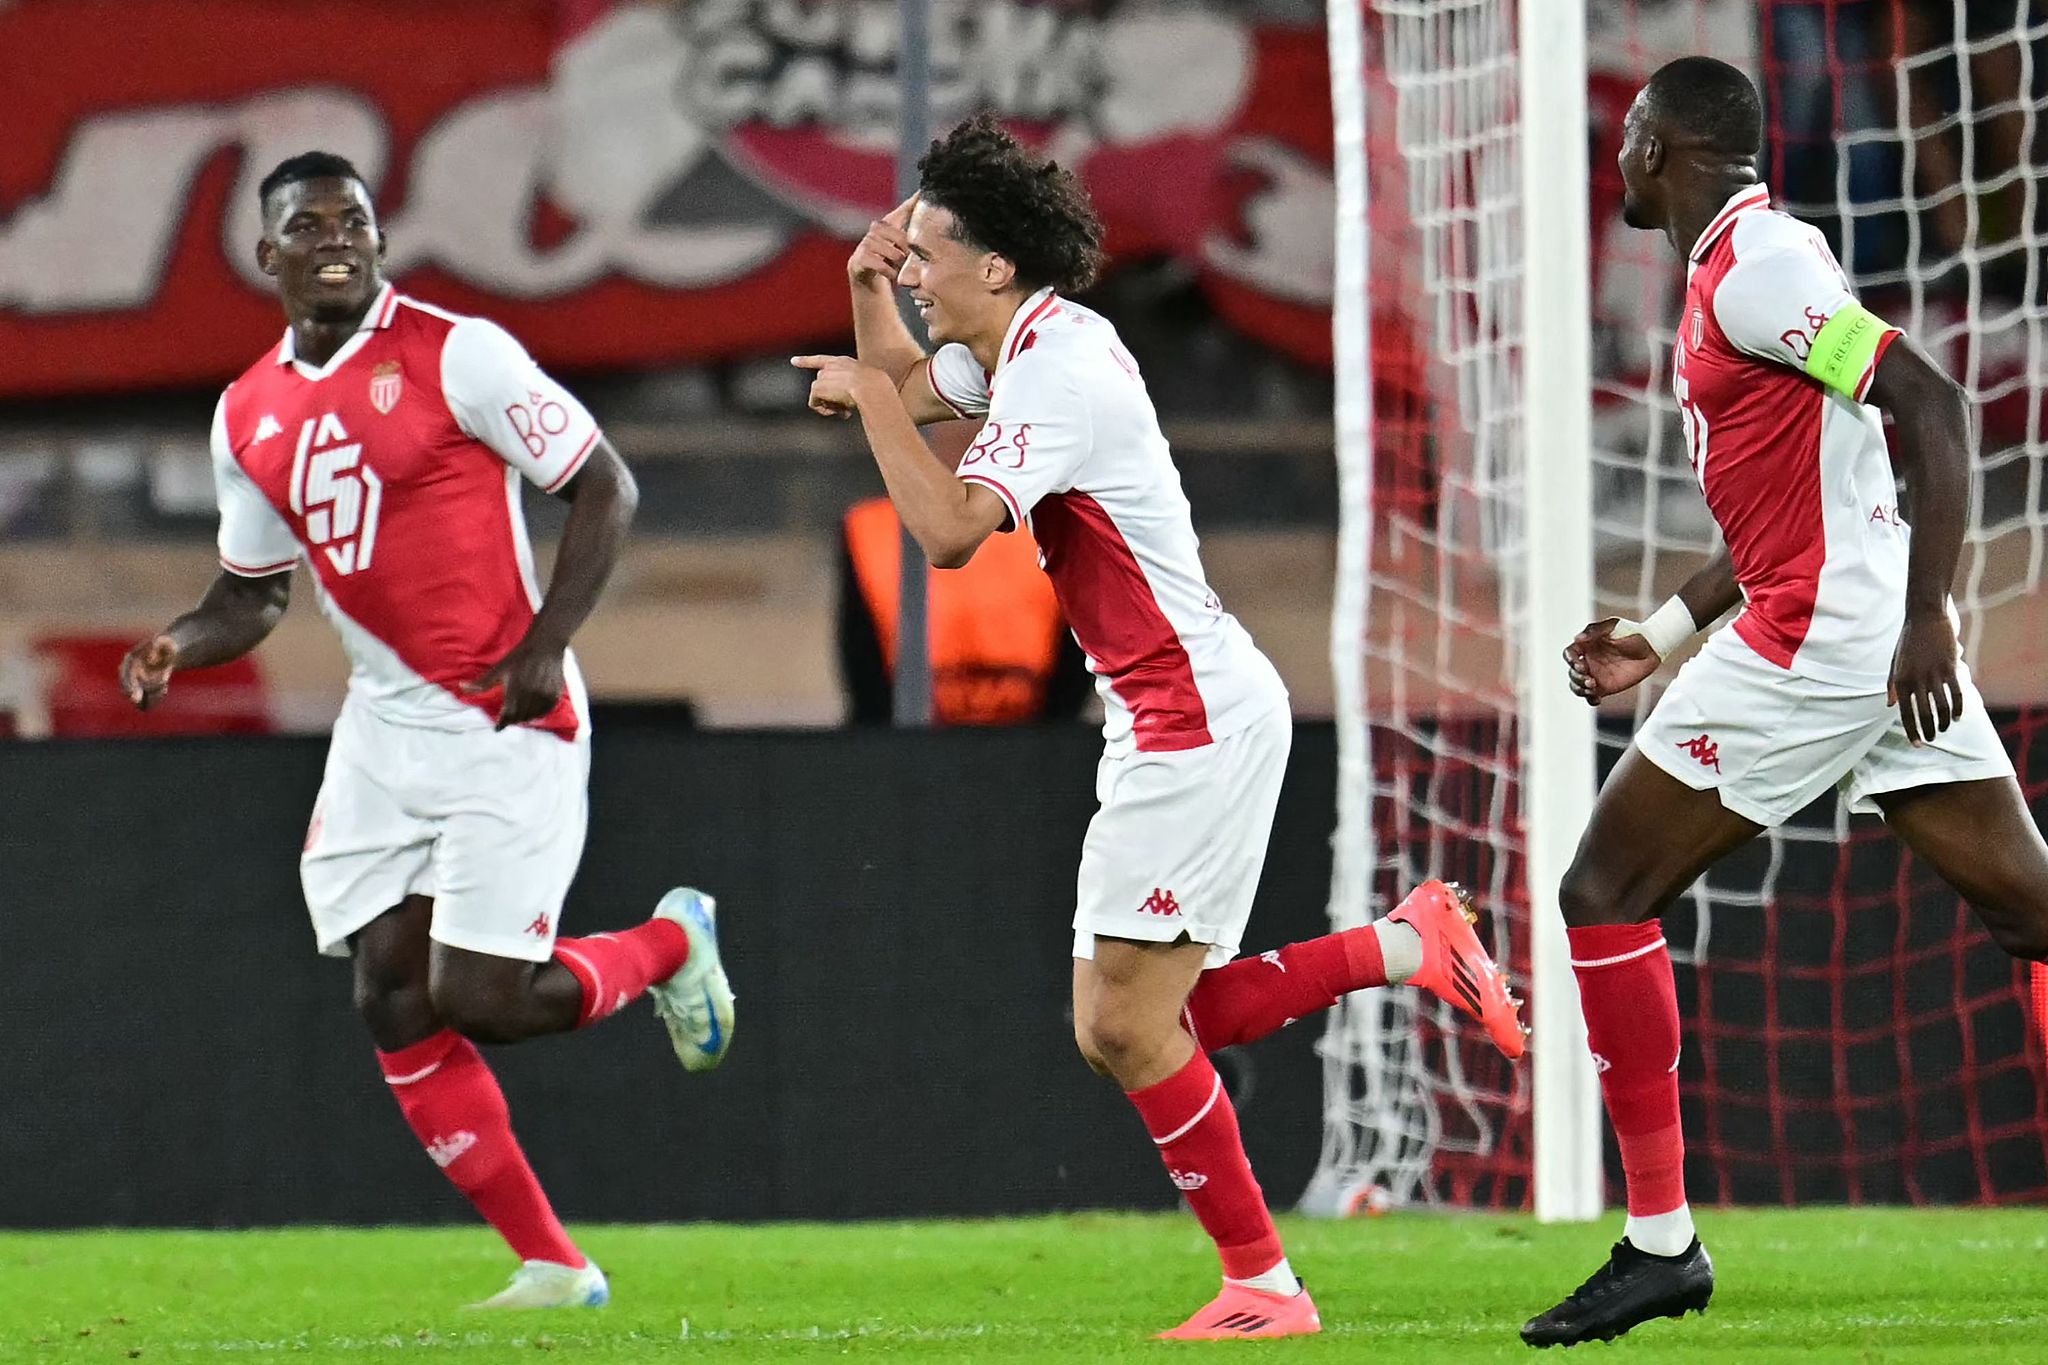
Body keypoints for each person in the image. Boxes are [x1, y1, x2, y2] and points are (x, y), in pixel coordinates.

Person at [793, 115, 1526, 1341]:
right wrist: (867, 299)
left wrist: (871, 386)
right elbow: (917, 400)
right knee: (1137, 1018)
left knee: (1123, 1025)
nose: (910, 270)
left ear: (991, 267)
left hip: (1188, 715)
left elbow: (947, 529)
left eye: (922, 253)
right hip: (1170, 710)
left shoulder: (1058, 374)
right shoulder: (1027, 344)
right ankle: (1402, 948)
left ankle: (1266, 1286)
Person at [118, 152, 736, 1310]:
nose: (339, 237)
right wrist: (176, 644)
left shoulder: (461, 353)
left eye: (355, 219)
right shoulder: (245, 411)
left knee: (488, 1001)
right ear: (269, 256)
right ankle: (554, 1267)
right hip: (384, 730)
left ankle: (667, 943)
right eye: (310, 225)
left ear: (380, 239)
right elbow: (252, 593)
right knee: (389, 995)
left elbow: (605, 485)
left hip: (506, 714)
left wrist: (548, 641)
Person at [1526, 57, 2048, 1347]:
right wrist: (1658, 634)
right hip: (1852, 626)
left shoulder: (1756, 271)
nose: (1616, 159)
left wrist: (1929, 615)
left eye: (1628, 136)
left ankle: (1660, 1247)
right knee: (2031, 912)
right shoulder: (1744, 266)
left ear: (1660, 145)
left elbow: (1928, 404)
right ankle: (1658, 1248)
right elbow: (1786, 501)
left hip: (1829, 643)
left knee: (1600, 892)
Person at [837, 488, 1092, 725]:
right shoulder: (870, 527)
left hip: (1039, 752)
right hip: (903, 753)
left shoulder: (1061, 526)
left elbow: (1075, 676)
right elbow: (864, 676)